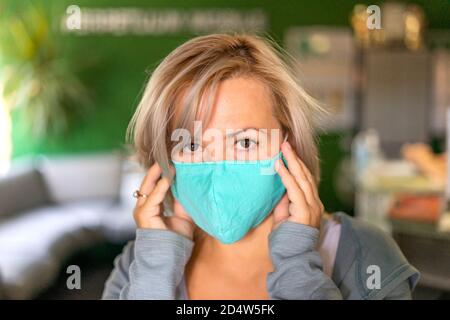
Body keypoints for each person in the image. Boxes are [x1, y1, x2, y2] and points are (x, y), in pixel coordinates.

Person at [102, 33, 419, 300]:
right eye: (193, 145)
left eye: (245, 142)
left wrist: (297, 264)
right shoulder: (138, 264)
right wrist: (154, 272)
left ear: (290, 143)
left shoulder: (363, 254)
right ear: (165, 158)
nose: (219, 166)